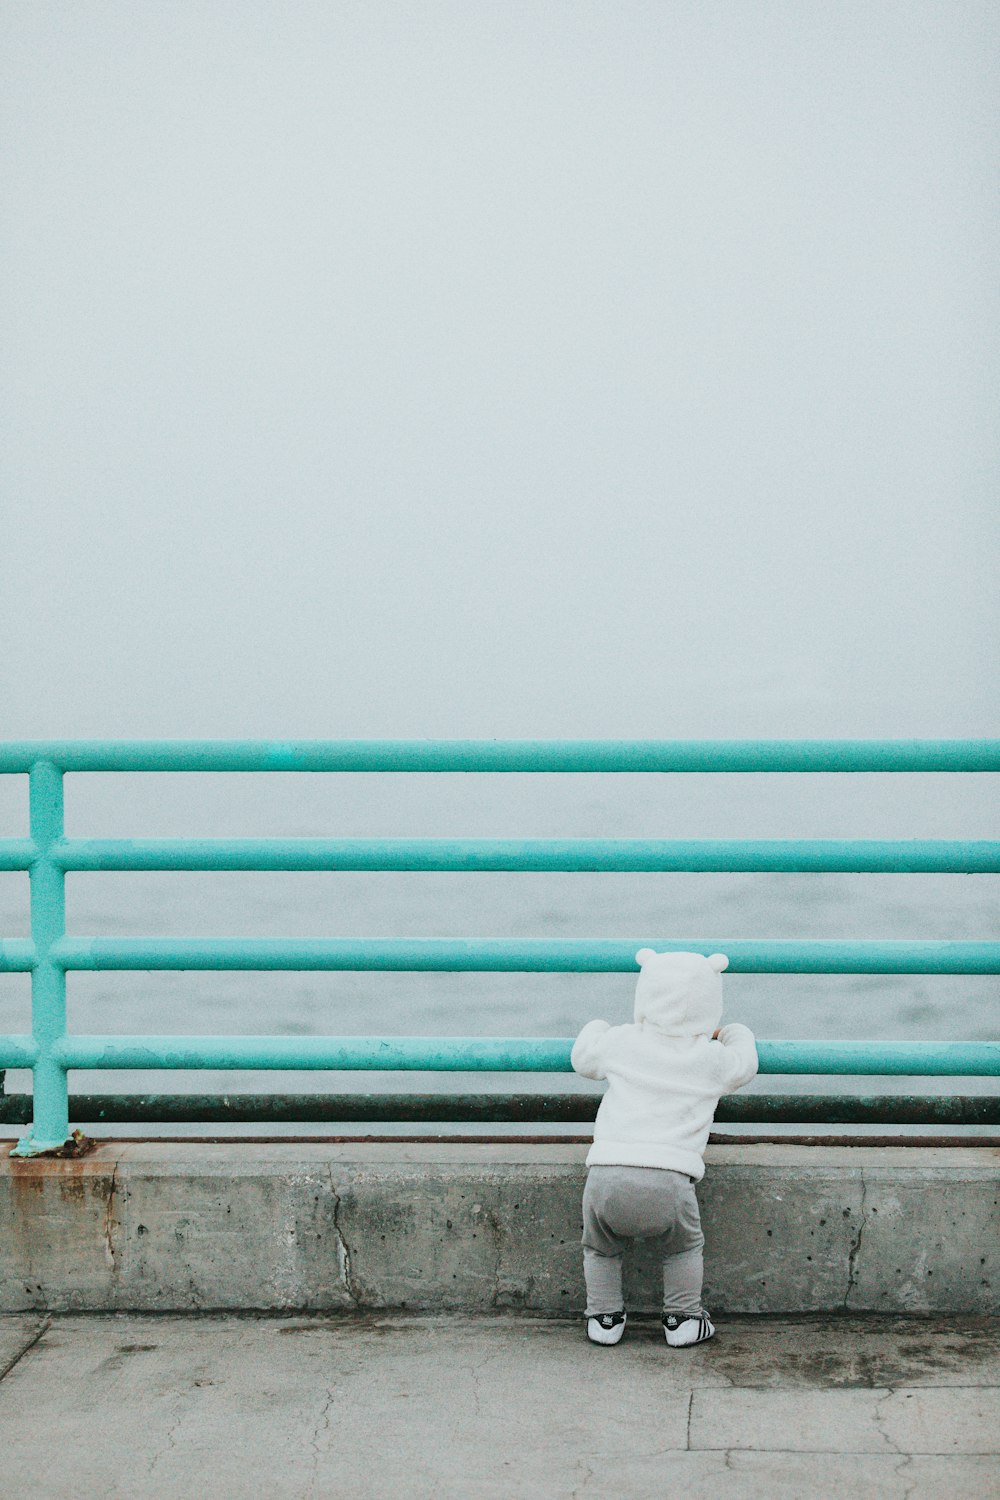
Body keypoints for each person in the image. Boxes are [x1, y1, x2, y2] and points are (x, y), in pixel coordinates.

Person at [571, 948, 758, 1347]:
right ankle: (683, 1320)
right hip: (670, 1180)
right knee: (683, 1249)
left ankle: (603, 1320)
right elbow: (744, 1064)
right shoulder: (711, 1058)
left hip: (606, 1174)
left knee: (600, 1251)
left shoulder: (622, 1041)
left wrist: (598, 1025)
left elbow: (583, 1058)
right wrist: (734, 1032)